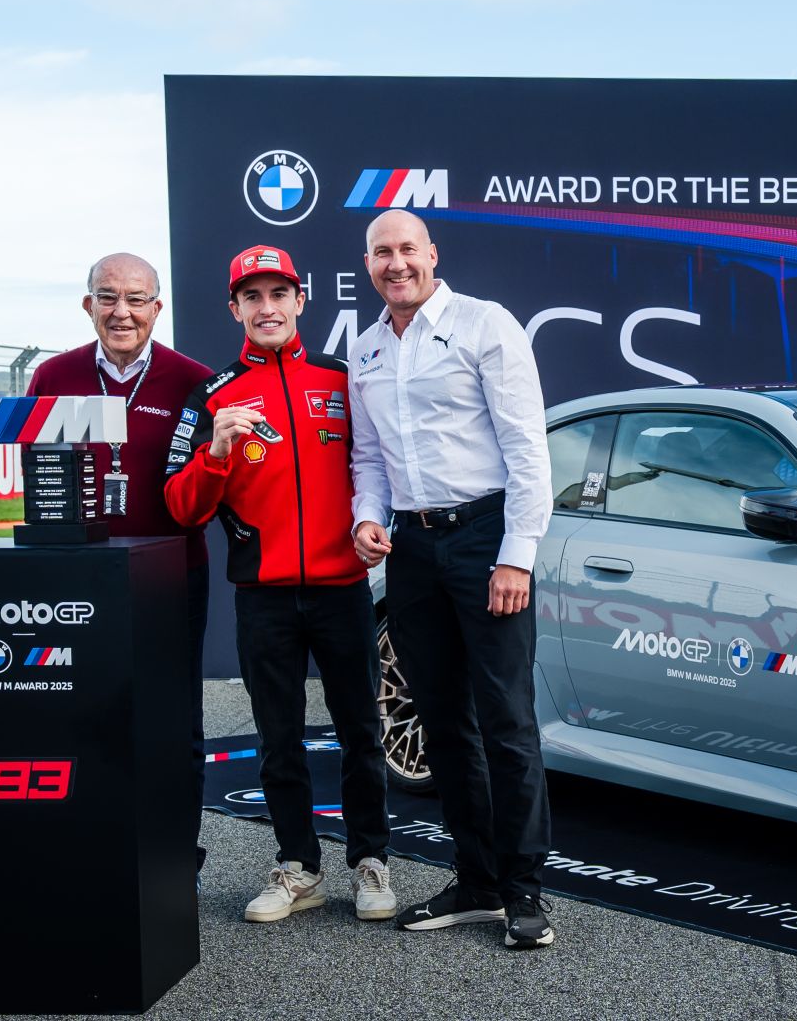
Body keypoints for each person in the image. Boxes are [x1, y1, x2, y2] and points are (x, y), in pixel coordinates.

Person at [163, 244, 394, 924]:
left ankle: (371, 861)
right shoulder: (213, 395)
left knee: (361, 731)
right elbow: (181, 508)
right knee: (278, 737)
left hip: (343, 587)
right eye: (252, 297)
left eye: (278, 294)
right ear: (234, 308)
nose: (267, 308)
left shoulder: (343, 379)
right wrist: (216, 451)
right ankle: (299, 866)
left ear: (301, 301)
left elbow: (383, 468)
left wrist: (373, 526)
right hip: (263, 595)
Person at [346, 209, 555, 948]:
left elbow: (527, 448)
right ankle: (476, 881)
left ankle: (523, 889)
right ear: (368, 264)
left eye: (408, 248)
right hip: (411, 547)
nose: (396, 263)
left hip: (485, 538)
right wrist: (366, 518)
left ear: (432, 254)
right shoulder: (367, 349)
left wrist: (516, 554)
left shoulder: (483, 323)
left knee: (506, 720)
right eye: (382, 252)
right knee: (442, 723)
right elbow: (368, 459)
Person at [24, 252, 214, 871]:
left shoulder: (194, 380)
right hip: (75, 582)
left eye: (136, 299)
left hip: (170, 579)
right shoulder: (53, 375)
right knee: (81, 713)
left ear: (157, 308)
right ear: (88, 305)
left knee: (174, 720)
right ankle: (89, 847)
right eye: (108, 297)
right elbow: (37, 482)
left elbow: (207, 485)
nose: (122, 312)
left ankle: (175, 856)